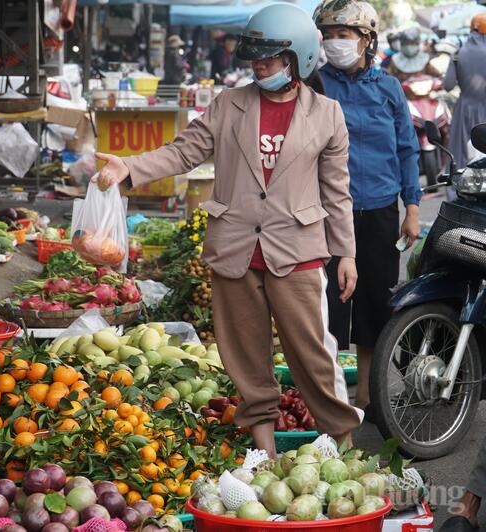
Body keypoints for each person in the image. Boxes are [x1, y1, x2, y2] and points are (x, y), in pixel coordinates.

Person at [96, 3, 362, 457]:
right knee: (244, 355)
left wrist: (347, 254)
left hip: (297, 250)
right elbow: (183, 152)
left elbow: (336, 191)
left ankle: (344, 442)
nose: (258, 67)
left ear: (297, 58)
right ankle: (265, 455)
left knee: (313, 356)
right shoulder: (229, 105)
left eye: (269, 59)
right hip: (236, 248)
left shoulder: (327, 115)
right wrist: (130, 168)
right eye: (254, 58)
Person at [315, 0, 421, 413]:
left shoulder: (389, 88)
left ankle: (368, 396)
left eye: (345, 35)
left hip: (379, 211)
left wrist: (411, 207)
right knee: (332, 305)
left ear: (367, 40)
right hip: (327, 214)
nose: (336, 43)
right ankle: (334, 396)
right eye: (329, 35)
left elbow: (407, 148)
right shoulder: (316, 85)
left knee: (376, 301)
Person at [443, 13, 486, 168]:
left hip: (464, 110)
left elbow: (448, 85)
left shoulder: (458, 53)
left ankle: (458, 191)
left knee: (460, 155)